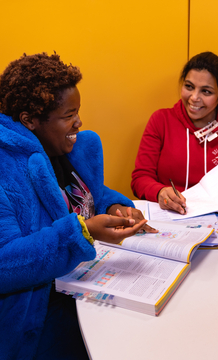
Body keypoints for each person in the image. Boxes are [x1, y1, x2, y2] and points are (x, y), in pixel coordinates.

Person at [0, 52, 156, 360]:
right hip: (40, 319)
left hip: (84, 289)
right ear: (30, 120)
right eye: (68, 115)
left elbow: (84, 195)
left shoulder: (67, 150)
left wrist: (113, 207)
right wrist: (82, 232)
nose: (79, 122)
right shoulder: (6, 170)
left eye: (78, 111)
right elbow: (5, 263)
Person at [131, 52, 218, 217]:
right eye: (189, 87)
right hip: (170, 218)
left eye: (206, 92)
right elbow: (140, 178)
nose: (194, 97)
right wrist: (160, 192)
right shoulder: (161, 121)